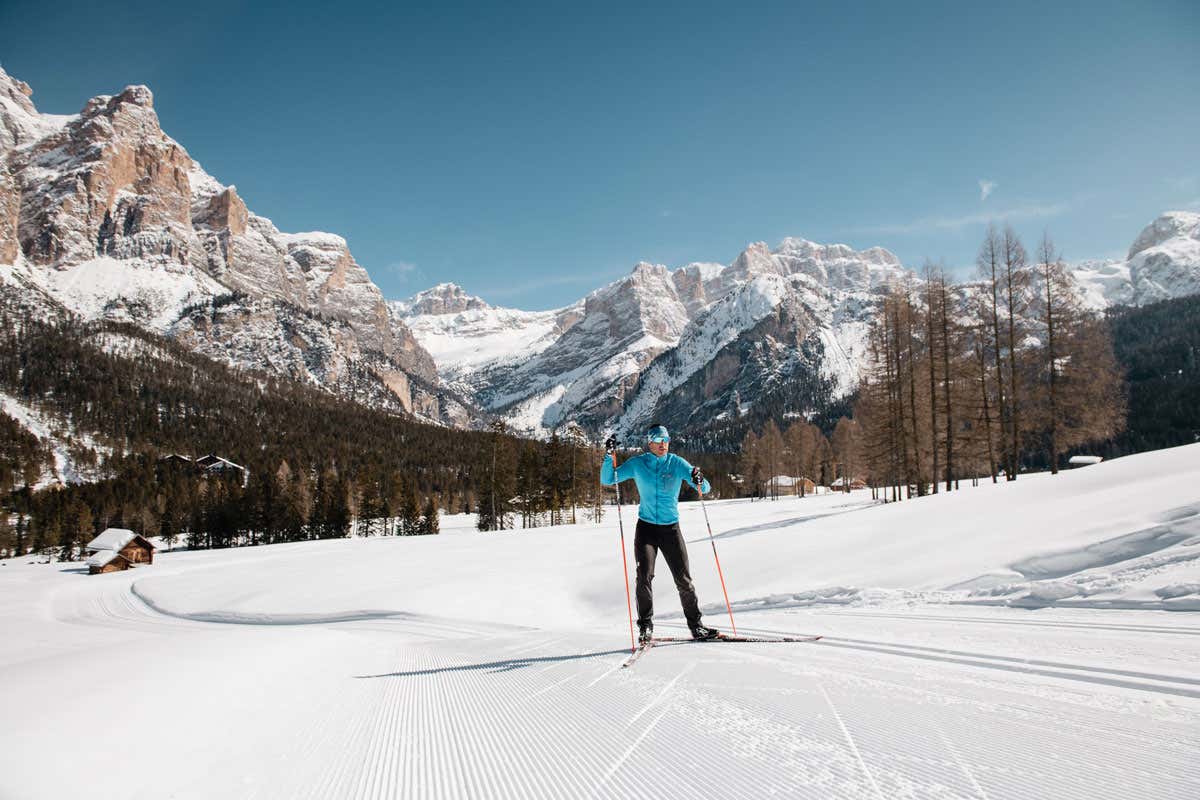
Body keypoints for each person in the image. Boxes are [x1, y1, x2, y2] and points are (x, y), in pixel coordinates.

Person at [601, 424, 720, 643]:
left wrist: (699, 479)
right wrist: (609, 456)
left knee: (684, 580)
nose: (663, 444)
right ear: (649, 443)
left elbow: (706, 488)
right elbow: (608, 479)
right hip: (646, 528)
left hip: (670, 530)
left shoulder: (676, 463)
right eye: (658, 440)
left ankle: (697, 627)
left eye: (666, 439)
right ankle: (645, 627)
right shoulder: (639, 463)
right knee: (644, 578)